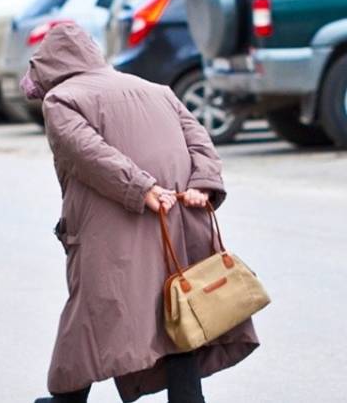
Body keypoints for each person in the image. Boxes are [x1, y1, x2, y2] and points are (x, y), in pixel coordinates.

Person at [22, 23, 259, 403]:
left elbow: (87, 151)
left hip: (116, 227)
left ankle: (66, 400)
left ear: (48, 65)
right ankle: (187, 398)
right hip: (175, 220)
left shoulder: (61, 100)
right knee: (175, 306)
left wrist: (142, 187)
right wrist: (202, 183)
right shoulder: (156, 90)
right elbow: (198, 138)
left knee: (92, 313)